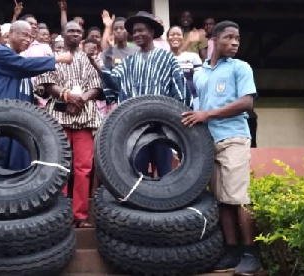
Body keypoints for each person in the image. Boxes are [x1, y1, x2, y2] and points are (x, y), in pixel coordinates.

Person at [182, 21, 261, 275]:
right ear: (214, 40)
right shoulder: (200, 73)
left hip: (234, 138)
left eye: (237, 38)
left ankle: (251, 253)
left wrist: (208, 114)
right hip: (209, 142)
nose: (235, 42)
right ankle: (232, 251)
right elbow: (198, 107)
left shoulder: (241, 67)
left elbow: (246, 103)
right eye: (229, 38)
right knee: (222, 201)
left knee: (239, 198)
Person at [101, 11, 189, 178]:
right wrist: (98, 65)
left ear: (152, 32)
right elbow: (113, 83)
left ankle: (166, 203)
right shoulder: (129, 62)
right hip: (136, 129)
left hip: (162, 128)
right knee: (136, 175)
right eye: (134, 32)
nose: (136, 34)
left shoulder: (167, 58)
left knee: (165, 175)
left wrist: (178, 122)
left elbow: (179, 91)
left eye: (141, 30)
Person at [34, 21, 102, 228]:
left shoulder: (88, 59)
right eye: (70, 31)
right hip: (58, 118)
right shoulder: (52, 58)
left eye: (78, 31)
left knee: (84, 168)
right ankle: (60, 212)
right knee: (59, 166)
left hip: (85, 119)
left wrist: (80, 100)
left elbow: (96, 87)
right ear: (62, 35)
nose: (74, 34)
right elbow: (46, 84)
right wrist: (67, 96)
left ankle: (80, 216)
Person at [0, 20, 73, 170]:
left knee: (20, 166)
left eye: (30, 38)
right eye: (25, 35)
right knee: (0, 165)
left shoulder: (20, 61)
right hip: (4, 117)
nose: (28, 40)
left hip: (21, 121)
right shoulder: (1, 52)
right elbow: (24, 65)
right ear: (11, 34)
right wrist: (57, 59)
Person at [167, 26, 203, 109]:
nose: (175, 37)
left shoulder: (193, 57)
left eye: (178, 34)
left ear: (183, 39)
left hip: (193, 99)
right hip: (169, 101)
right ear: (167, 39)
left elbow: (199, 80)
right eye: (172, 35)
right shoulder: (163, 58)